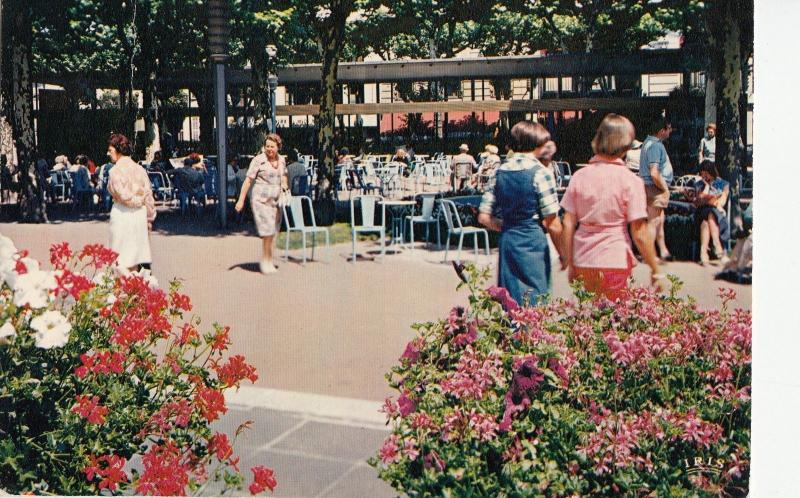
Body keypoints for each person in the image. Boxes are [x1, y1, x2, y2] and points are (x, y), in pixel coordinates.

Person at [560, 114, 663, 300]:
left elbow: (567, 223)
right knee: (613, 320)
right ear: (626, 145)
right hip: (614, 258)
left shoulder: (579, 176)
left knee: (589, 320)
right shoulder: (631, 181)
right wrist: (655, 269)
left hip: (584, 258)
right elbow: (639, 232)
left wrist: (569, 261)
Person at [478, 121, 566, 305]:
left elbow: (484, 217)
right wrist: (564, 254)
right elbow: (552, 223)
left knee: (510, 301)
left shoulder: (499, 172)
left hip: (509, 241)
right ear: (537, 143)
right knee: (536, 300)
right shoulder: (541, 173)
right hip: (532, 241)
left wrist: (507, 225)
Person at [235, 133, 288, 275]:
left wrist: (284, 185)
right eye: (267, 146)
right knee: (268, 231)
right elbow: (248, 181)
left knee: (274, 231)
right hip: (261, 200)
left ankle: (270, 259)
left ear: (278, 147)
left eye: (272, 146)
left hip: (276, 200)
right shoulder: (259, 160)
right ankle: (265, 261)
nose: (269, 149)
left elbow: (284, 176)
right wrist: (241, 200)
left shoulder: (282, 160)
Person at [106, 133, 156, 272]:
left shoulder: (114, 172)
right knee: (135, 261)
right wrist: (149, 219)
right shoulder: (140, 170)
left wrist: (132, 201)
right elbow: (149, 197)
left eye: (110, 150)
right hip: (139, 216)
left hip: (122, 215)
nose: (108, 153)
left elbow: (122, 195)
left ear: (118, 150)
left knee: (120, 261)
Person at [639, 116, 674, 262]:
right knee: (653, 221)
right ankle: (649, 254)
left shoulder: (648, 143)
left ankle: (663, 249)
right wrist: (665, 188)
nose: (671, 131)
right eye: (669, 128)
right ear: (661, 131)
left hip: (653, 187)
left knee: (659, 220)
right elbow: (654, 172)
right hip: (655, 188)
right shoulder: (655, 146)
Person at [694, 160, 730, 266]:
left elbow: (721, 202)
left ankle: (703, 253)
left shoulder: (723, 184)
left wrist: (712, 201)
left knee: (707, 220)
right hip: (701, 212)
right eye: (702, 174)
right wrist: (707, 187)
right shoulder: (699, 185)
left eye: (706, 174)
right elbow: (699, 201)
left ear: (712, 172)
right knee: (708, 213)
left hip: (717, 214)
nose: (704, 177)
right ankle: (717, 246)